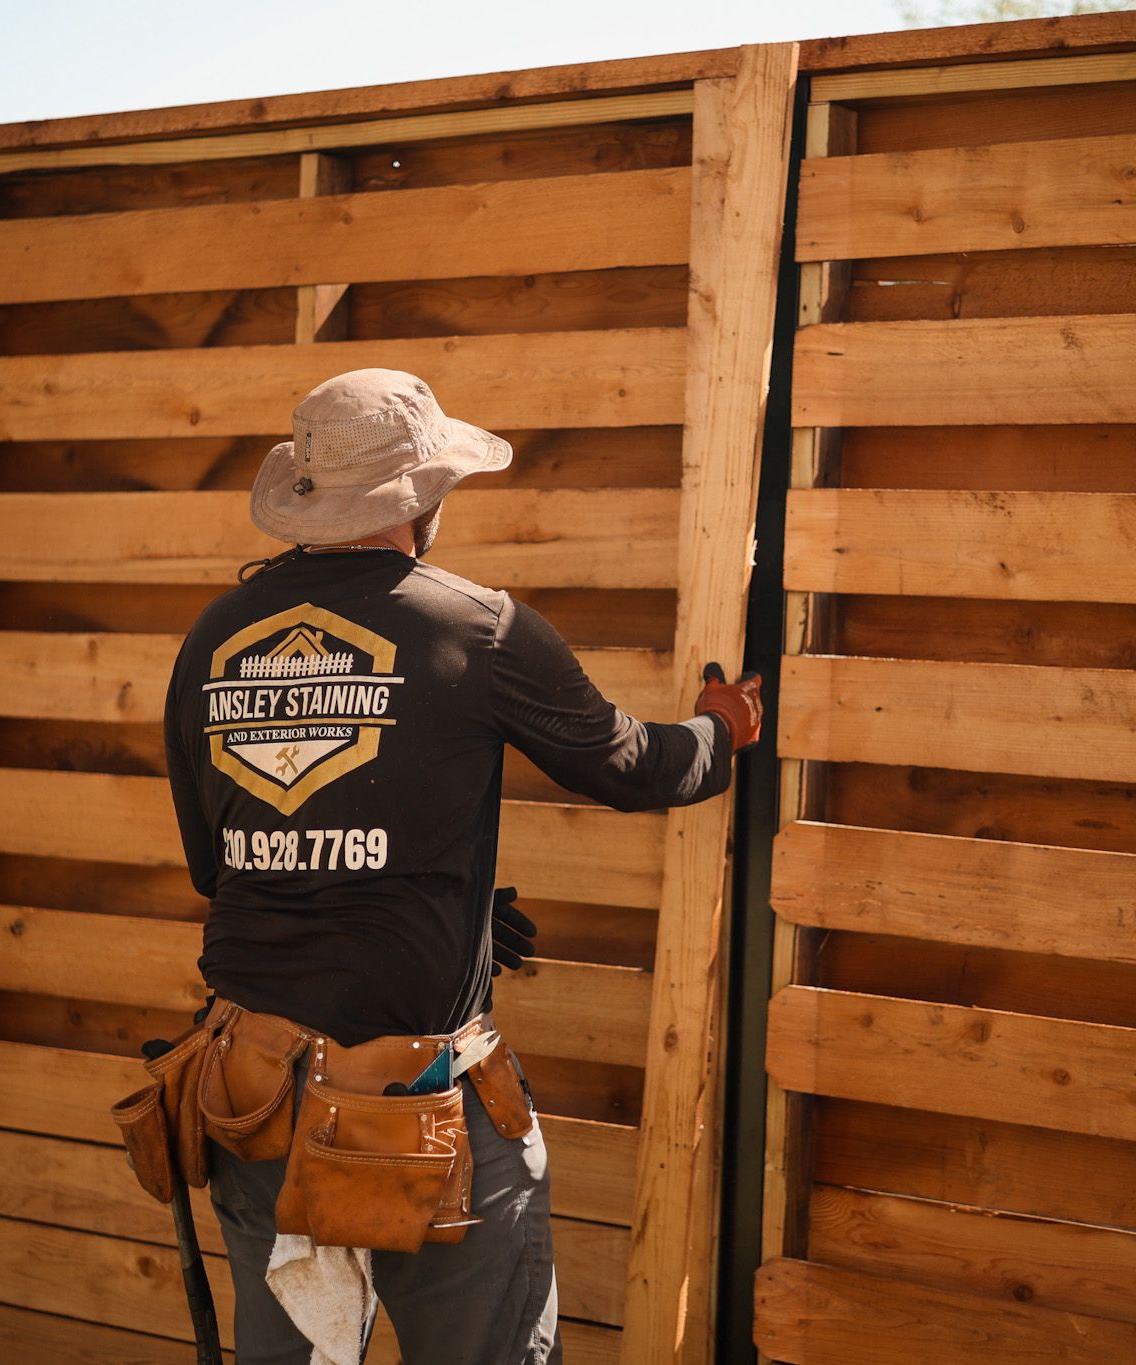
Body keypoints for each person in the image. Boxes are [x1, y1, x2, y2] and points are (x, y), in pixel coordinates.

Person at [158, 368, 762, 1364]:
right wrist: (717, 731)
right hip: (419, 1109)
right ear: (424, 494)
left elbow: (220, 867)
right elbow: (627, 766)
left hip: (251, 1093)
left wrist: (437, 896)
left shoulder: (213, 640)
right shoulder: (475, 627)